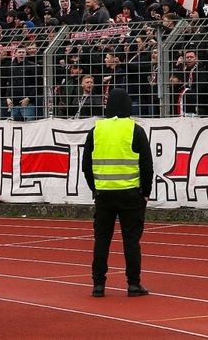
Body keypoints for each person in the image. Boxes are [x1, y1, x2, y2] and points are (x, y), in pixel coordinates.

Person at [81, 88, 152, 298]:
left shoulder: (96, 130)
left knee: (102, 239)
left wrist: (95, 188)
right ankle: (133, 283)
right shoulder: (135, 129)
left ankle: (98, 284)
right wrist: (145, 192)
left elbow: (86, 165)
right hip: (130, 193)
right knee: (131, 240)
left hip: (104, 193)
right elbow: (146, 165)